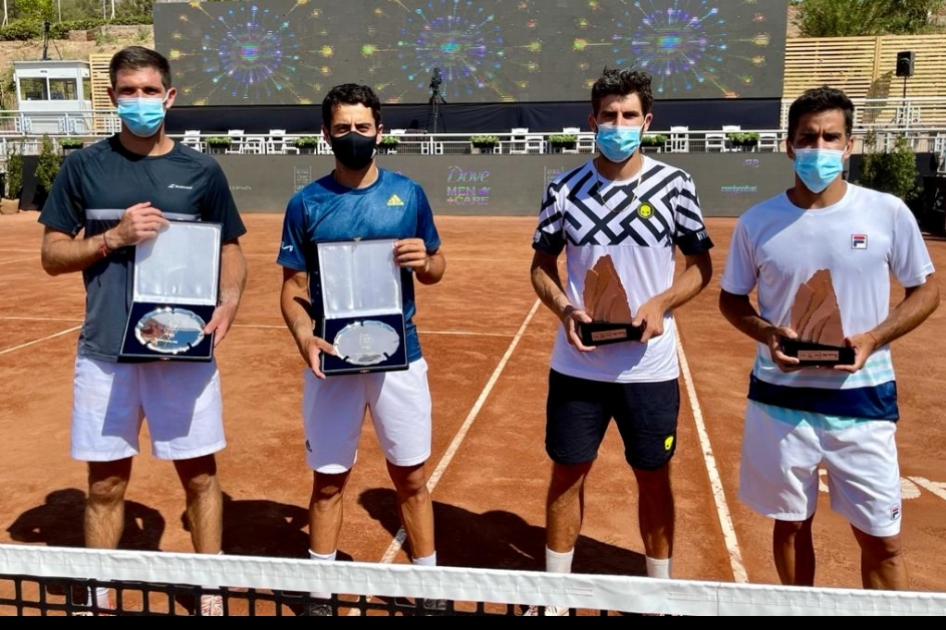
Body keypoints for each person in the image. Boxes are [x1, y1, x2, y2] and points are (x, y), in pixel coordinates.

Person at [38, 46, 248, 616]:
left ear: (169, 96)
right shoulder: (84, 167)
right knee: (105, 486)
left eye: (149, 90)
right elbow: (53, 254)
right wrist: (111, 238)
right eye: (127, 91)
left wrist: (228, 303)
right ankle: (100, 596)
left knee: (201, 477)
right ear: (112, 98)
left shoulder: (201, 170)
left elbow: (230, 248)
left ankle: (210, 593)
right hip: (106, 353)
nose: (139, 101)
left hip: (184, 350)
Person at [718, 86, 939, 590]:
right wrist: (767, 332)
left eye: (830, 137)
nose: (819, 148)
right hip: (779, 401)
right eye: (807, 138)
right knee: (791, 525)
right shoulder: (758, 221)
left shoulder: (887, 212)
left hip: (863, 403)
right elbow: (732, 300)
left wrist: (875, 338)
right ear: (788, 145)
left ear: (850, 144)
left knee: (882, 538)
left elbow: (926, 290)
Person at [528, 68, 714, 615]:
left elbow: (701, 266)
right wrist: (564, 307)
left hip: (648, 369)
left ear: (646, 121)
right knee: (567, 473)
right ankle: (557, 598)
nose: (618, 124)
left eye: (628, 115)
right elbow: (541, 266)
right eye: (608, 115)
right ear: (592, 121)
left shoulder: (674, 184)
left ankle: (656, 597)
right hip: (579, 365)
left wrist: (661, 303)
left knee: (654, 478)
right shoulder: (564, 188)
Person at [277, 83, 446, 616]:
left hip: (401, 357)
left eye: (363, 127)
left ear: (380, 132)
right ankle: (321, 593)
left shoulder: (408, 193)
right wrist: (304, 336)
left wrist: (425, 260)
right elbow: (291, 287)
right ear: (326, 133)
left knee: (412, 478)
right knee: (328, 481)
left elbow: (437, 268)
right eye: (343, 128)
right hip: (333, 361)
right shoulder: (306, 203)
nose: (354, 136)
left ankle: (430, 588)